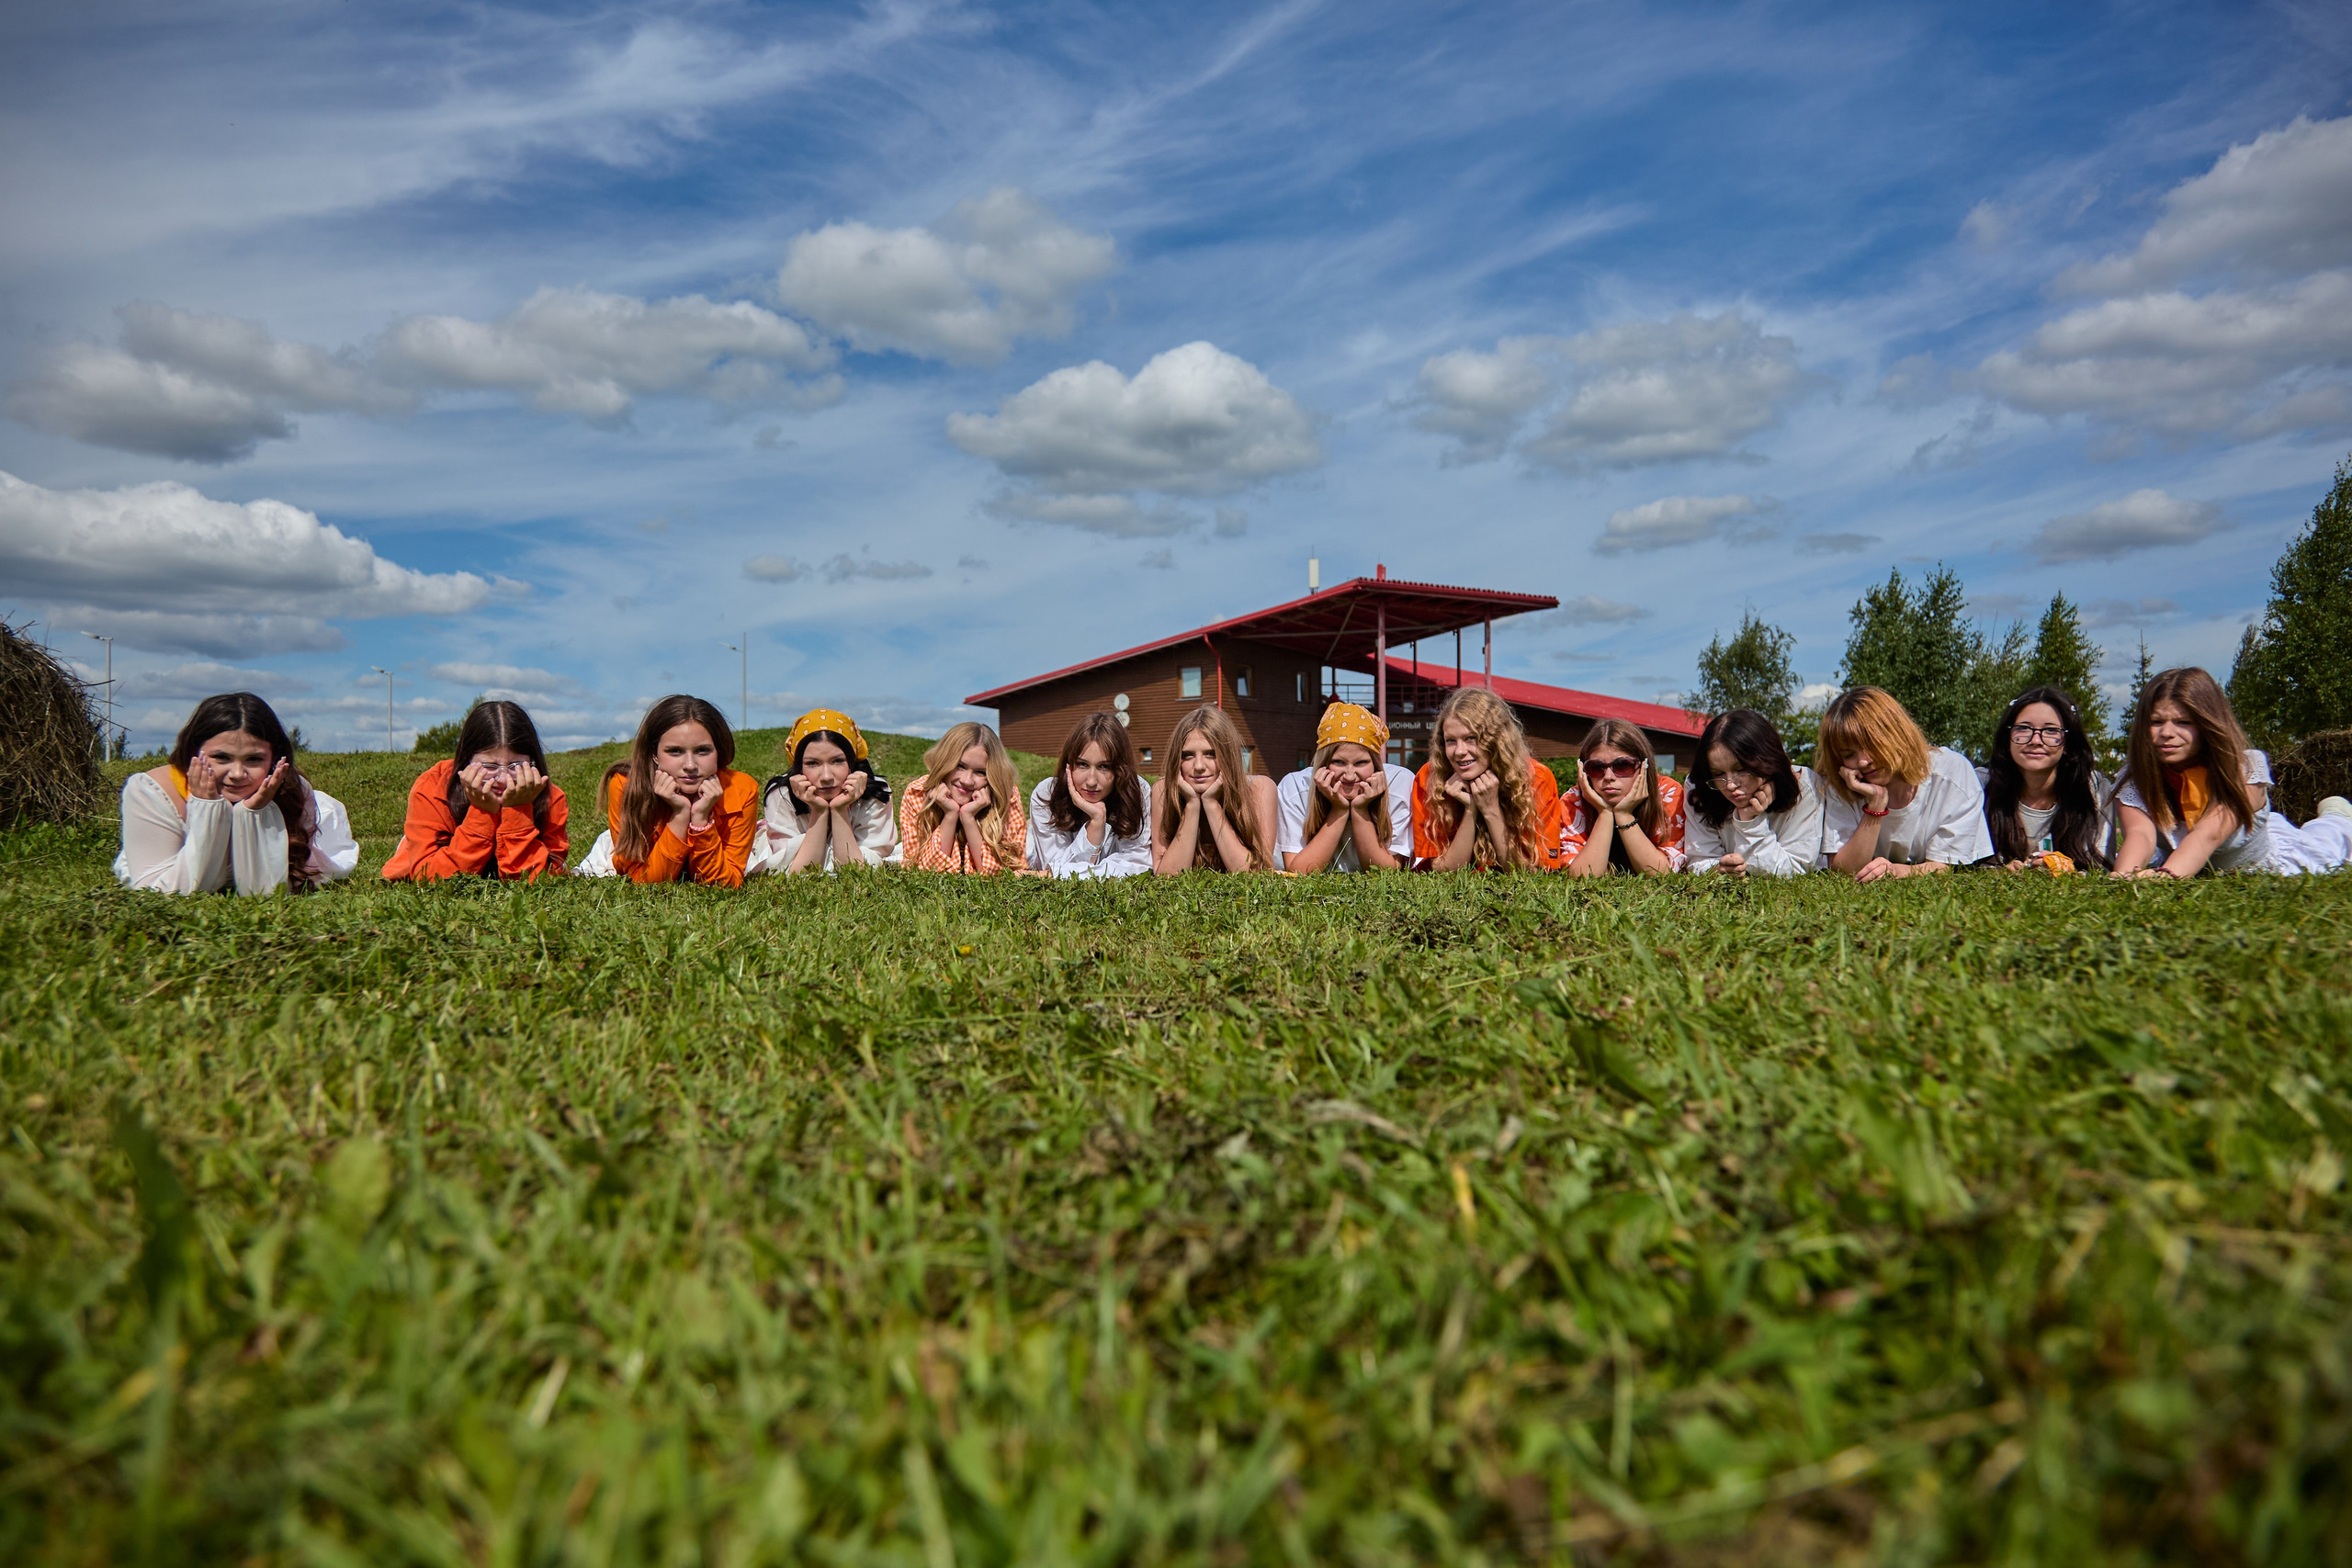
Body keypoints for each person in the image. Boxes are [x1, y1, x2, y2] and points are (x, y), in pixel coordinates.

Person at [2111, 667, 2352, 877]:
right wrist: (2122, 877)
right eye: (2156, 722)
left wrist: (2166, 877)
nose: (2167, 733)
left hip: (2261, 861)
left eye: (2183, 722)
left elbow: (2208, 835)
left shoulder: (2244, 771)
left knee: (2329, 840)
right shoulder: (2135, 780)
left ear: (2208, 724)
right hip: (2191, 864)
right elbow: (2139, 837)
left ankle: (2336, 815)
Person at [116, 692, 358, 895]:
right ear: (193, 751)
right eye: (222, 758)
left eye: (253, 759)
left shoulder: (292, 790)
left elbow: (265, 892)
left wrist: (254, 813)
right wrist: (207, 808)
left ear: (274, 760)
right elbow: (172, 891)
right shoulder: (152, 792)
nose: (237, 773)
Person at [577, 694, 759, 886]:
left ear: (718, 751)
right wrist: (680, 814)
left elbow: (724, 884)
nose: (690, 765)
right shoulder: (625, 786)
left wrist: (700, 819)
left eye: (703, 750)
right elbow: (645, 880)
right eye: (675, 751)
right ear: (654, 754)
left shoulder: (742, 789)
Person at [380, 700, 568, 882]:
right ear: (466, 760)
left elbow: (542, 879)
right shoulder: (432, 786)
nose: (503, 779)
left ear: (533, 763)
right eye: (490, 765)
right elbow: (430, 876)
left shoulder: (551, 798)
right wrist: (482, 812)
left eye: (516, 765)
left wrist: (518, 810)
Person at [1815, 686, 1991, 879]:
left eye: (1872, 745)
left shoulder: (1952, 773)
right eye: (1849, 755)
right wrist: (1876, 803)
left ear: (1896, 734)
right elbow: (1845, 870)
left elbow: (1947, 864)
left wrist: (1899, 871)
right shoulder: (1844, 784)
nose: (1863, 762)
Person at [1410, 687, 1566, 872]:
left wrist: (1491, 809)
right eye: (1450, 741)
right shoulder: (1429, 778)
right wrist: (1471, 809)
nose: (1459, 751)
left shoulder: (1537, 778)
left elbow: (1536, 875)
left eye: (1471, 738)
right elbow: (1443, 872)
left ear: (1496, 740)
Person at [748, 708, 900, 874]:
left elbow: (856, 870)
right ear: (799, 766)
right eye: (813, 763)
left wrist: (839, 809)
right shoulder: (782, 795)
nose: (827, 776)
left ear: (852, 762)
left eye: (838, 761)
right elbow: (798, 872)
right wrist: (819, 812)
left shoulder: (876, 793)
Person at [1978, 686, 2110, 873]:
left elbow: (2101, 866)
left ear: (2067, 743)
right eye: (2023, 729)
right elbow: (1962, 860)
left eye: (2050, 731)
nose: (2036, 740)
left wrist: (2067, 871)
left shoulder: (2094, 789)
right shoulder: (1980, 785)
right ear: (2007, 738)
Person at [1683, 708, 1823, 877]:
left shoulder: (1806, 786)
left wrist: (1750, 821)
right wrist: (1718, 869)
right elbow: (1699, 859)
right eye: (1718, 774)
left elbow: (1794, 869)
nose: (1730, 786)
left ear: (1766, 760)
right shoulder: (1699, 787)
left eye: (1741, 770)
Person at [1276, 702, 1412, 874]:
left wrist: (1360, 809)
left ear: (1376, 764)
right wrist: (1339, 810)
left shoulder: (1400, 784)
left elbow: (1386, 872)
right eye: (1338, 762)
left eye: (1361, 763)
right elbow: (1300, 872)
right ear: (1323, 763)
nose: (1349, 775)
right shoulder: (1294, 787)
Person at [1153, 705, 1280, 874]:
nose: (1199, 766)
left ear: (1228, 755)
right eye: (1187, 755)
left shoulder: (1259, 788)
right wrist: (1192, 805)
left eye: (1211, 754)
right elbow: (1166, 877)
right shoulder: (1163, 790)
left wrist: (1211, 803)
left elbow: (1255, 875)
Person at [1028, 711, 1153, 877]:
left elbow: (1136, 864)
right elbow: (1055, 866)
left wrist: (1060, 873)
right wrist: (1096, 823)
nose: (1092, 781)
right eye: (1082, 764)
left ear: (1120, 769)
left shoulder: (1137, 791)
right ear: (1069, 765)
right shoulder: (1046, 795)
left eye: (1104, 766)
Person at [1562, 719, 1687, 876]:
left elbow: (1662, 874)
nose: (1608, 776)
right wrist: (1605, 813)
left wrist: (1624, 814)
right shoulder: (1572, 801)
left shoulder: (1668, 793)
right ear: (1583, 772)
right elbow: (1583, 876)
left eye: (1622, 765)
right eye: (1596, 767)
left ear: (1643, 766)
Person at [901, 720, 1030, 874]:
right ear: (945, 762)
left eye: (981, 772)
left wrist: (968, 818)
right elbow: (923, 870)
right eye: (960, 766)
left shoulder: (1006, 797)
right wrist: (950, 814)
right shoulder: (917, 793)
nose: (967, 780)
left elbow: (1004, 874)